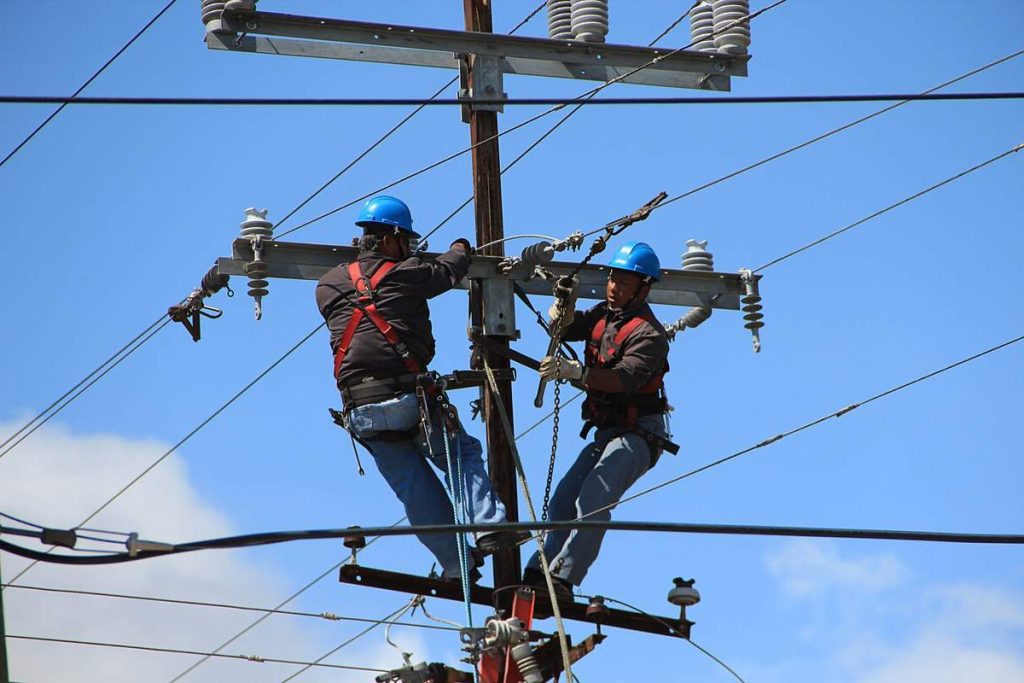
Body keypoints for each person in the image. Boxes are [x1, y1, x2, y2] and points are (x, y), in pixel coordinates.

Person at [315, 195, 519, 581]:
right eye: (406, 241)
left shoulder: (328, 285)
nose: (409, 248)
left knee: (414, 488)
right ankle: (489, 526)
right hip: (409, 396)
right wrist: (460, 247)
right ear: (392, 238)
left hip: (361, 409)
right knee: (459, 455)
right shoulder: (406, 272)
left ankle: (457, 564)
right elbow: (448, 271)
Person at [524, 240, 675, 608]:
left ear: (644, 287)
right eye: (612, 279)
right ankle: (538, 573)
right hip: (608, 431)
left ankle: (563, 578)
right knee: (563, 499)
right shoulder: (605, 315)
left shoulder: (649, 335)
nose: (614, 287)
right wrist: (563, 306)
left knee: (594, 496)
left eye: (624, 282)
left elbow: (624, 379)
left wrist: (576, 372)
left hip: (641, 433)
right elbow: (568, 329)